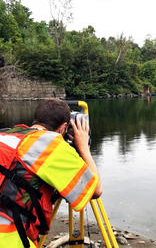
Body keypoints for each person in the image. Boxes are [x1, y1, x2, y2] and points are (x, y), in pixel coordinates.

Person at [0, 98, 102, 248]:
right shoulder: (50, 145)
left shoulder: (7, 134)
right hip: (8, 238)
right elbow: (96, 190)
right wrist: (84, 148)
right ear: (63, 127)